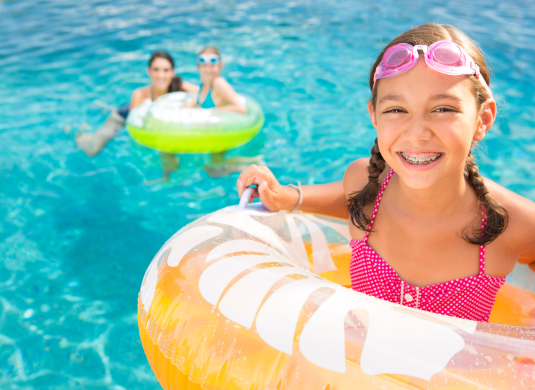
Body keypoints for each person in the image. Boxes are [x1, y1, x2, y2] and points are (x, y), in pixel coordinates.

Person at [236, 23, 535, 322]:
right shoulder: (363, 184)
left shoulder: (515, 223)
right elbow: (352, 197)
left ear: (483, 120)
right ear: (374, 116)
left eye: (443, 109)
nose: (417, 133)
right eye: (396, 110)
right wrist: (289, 196)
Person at [75, 51, 198, 181]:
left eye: (166, 70)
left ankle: (169, 177)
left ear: (172, 72)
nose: (161, 75)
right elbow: (135, 124)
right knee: (92, 150)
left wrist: (193, 103)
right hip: (123, 115)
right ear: (149, 71)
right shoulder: (139, 94)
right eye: (156, 70)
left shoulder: (179, 86)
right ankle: (80, 134)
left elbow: (207, 95)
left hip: (162, 119)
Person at [185, 46, 263, 178]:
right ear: (198, 66)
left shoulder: (218, 83)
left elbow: (240, 108)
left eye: (213, 65)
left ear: (220, 66)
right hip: (210, 133)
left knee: (214, 169)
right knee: (214, 167)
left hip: (220, 132)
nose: (208, 69)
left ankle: (253, 163)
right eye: (204, 65)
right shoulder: (203, 85)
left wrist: (212, 110)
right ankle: (251, 165)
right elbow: (203, 109)